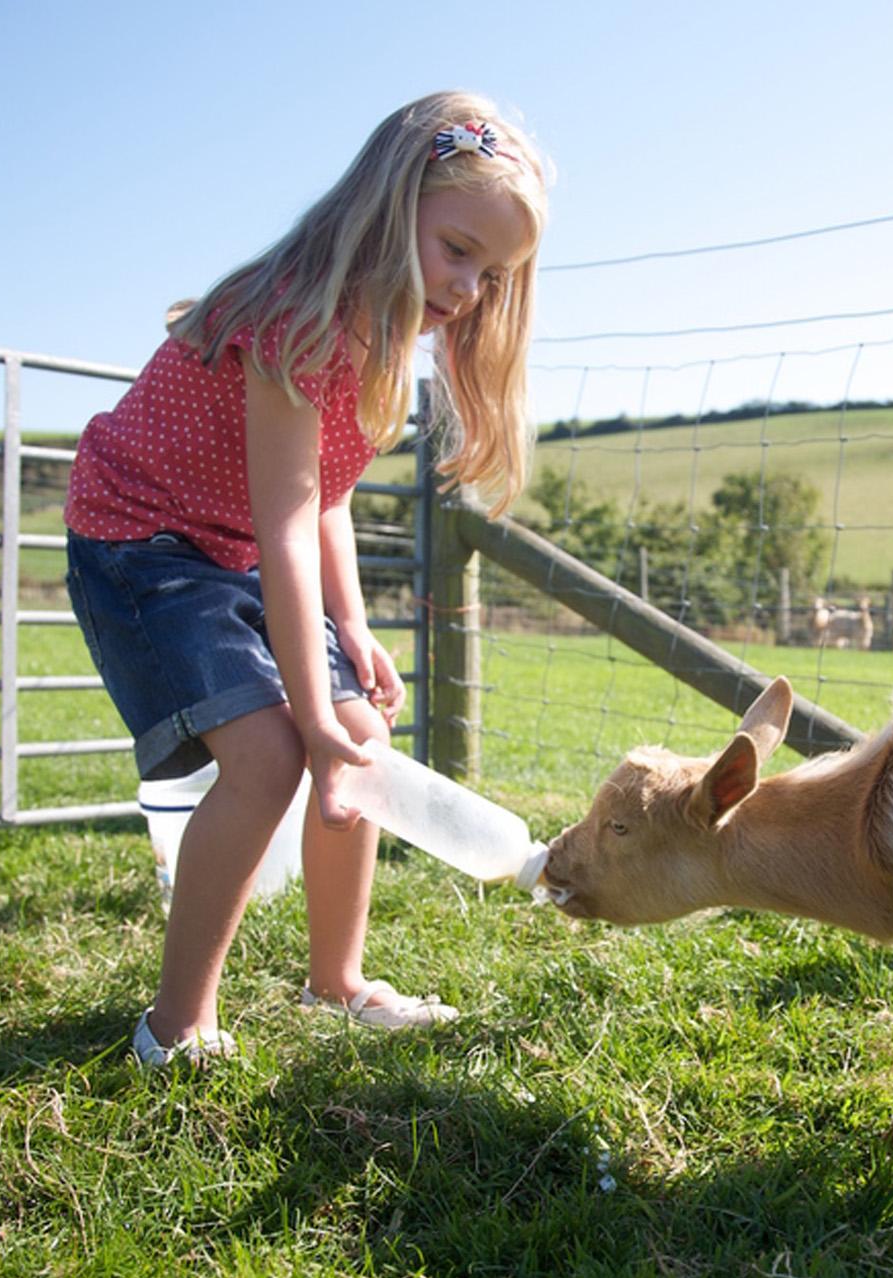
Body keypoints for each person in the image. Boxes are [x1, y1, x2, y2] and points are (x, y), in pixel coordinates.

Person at [63, 92, 549, 1065]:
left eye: (492, 274)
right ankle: (176, 1026)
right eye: (457, 249)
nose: (469, 288)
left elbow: (322, 498)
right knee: (270, 758)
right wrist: (309, 723)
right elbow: (284, 520)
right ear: (391, 202)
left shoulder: (378, 340)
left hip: (234, 546)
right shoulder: (298, 320)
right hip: (143, 544)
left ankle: (338, 982)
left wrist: (352, 631)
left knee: (361, 741)